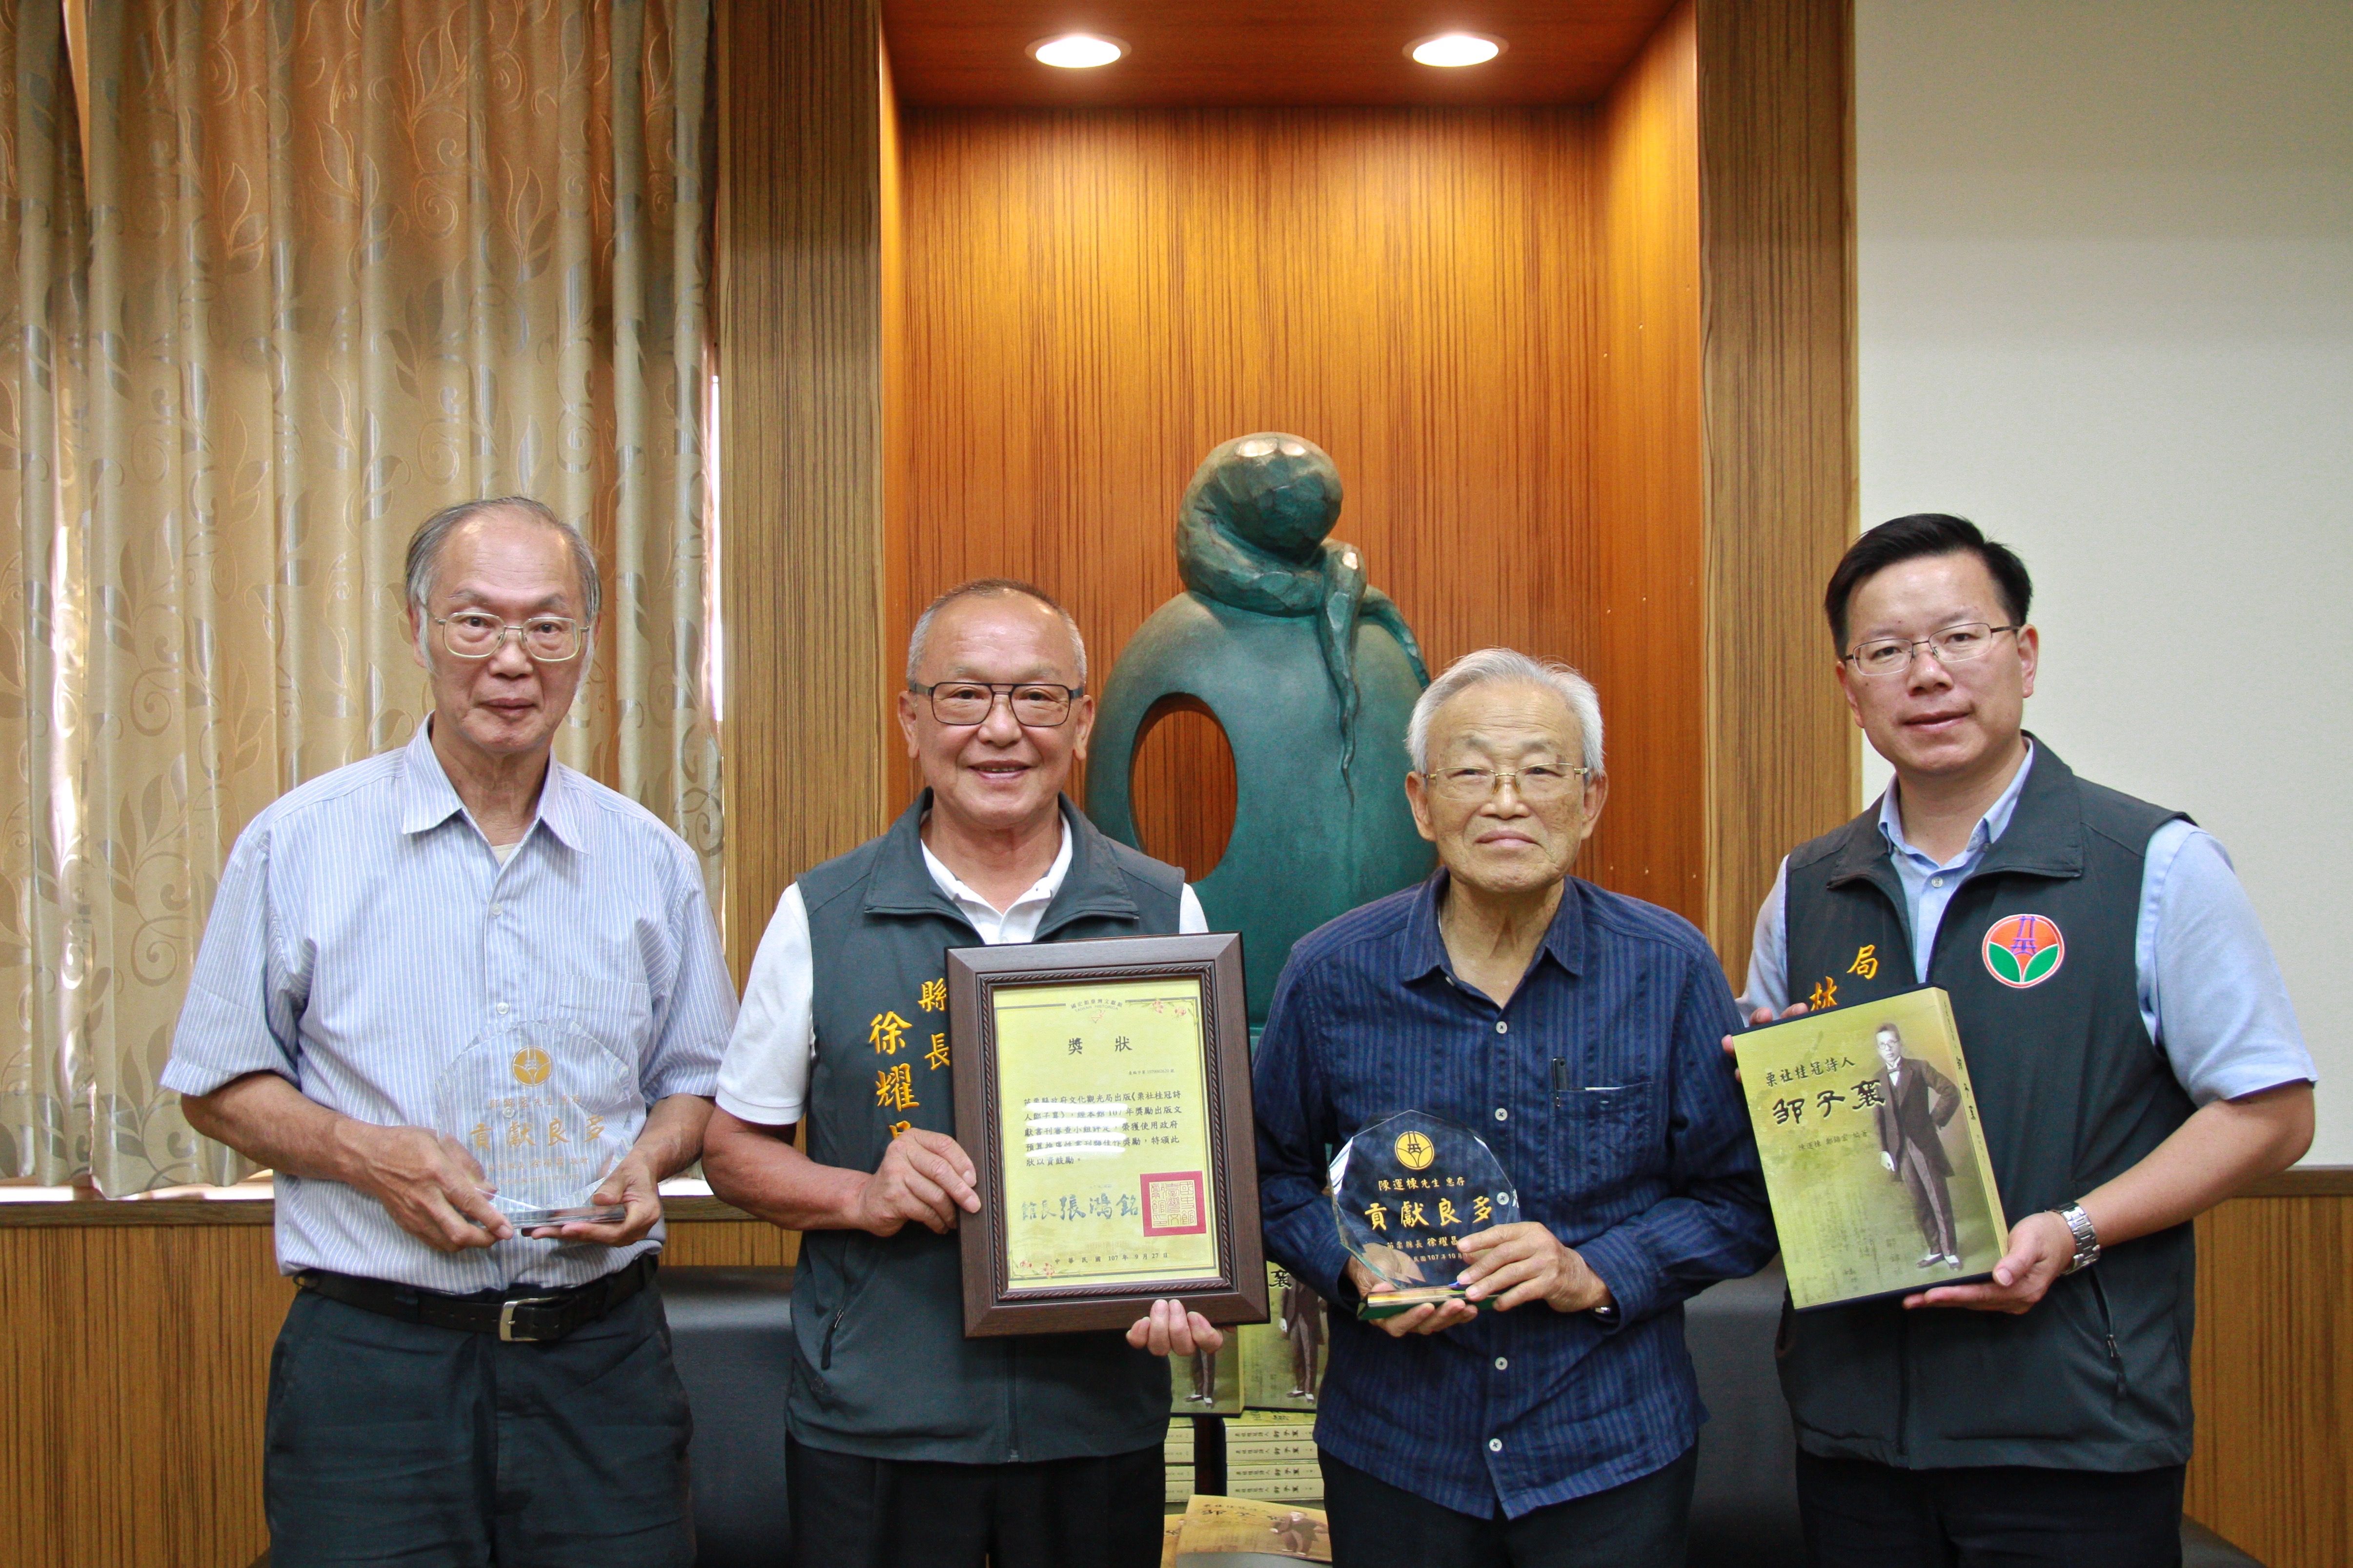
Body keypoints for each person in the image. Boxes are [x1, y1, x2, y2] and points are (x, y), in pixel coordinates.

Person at [164, 498, 734, 1567]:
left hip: (600, 1364)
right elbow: (217, 1079)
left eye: (547, 625)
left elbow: (695, 1075)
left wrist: (655, 1158)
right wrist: (365, 1154)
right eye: (476, 622)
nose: (511, 659)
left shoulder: (649, 858)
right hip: (376, 1366)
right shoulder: (301, 842)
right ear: (418, 627)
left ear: (587, 642)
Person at [1739, 513, 2315, 1568]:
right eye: (1885, 651)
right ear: (1847, 684)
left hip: (2070, 1432)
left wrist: (2074, 1228)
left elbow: (2269, 1113)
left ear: (2025, 654)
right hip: (1854, 1427)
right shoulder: (1805, 886)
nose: (1926, 674)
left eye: (1959, 636)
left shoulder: (2152, 863)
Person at [701, 579, 1222, 1568]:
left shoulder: (1162, 913)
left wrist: (1188, 1272)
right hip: (876, 1423)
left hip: (1093, 1420)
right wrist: (862, 1191)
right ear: (910, 718)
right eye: (962, 696)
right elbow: (733, 1153)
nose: (999, 730)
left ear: (1080, 721)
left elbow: (1200, 1164)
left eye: (1035, 698)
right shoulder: (822, 913)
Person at [1254, 648, 1777, 1568]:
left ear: (1590, 798)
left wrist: (1596, 1268)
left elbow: (1740, 1201)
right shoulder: (1331, 972)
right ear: (1420, 801)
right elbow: (1265, 1174)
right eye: (1470, 771)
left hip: (1609, 1447)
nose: (1505, 800)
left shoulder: (1670, 967)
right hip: (1399, 1448)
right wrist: (1349, 1269)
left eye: (1539, 769)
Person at [1867, 1021, 1964, 1270]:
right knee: (1918, 1201)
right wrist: (1884, 1151)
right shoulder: (1876, 1080)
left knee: (1938, 1198)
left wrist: (1935, 1120)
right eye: (1882, 1045)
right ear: (1878, 1050)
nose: (1888, 1049)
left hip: (1923, 1143)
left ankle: (1950, 1250)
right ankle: (1935, 1250)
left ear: (1901, 1044)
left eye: (1892, 1043)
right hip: (1900, 1150)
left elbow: (1950, 1092)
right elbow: (1878, 1119)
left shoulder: (1919, 1068)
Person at [1280, 1267, 1325, 1399]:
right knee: (1297, 1353)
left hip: (1309, 1319)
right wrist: (1283, 1318)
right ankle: (1300, 1387)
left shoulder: (1316, 1275)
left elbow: (1325, 1295)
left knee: (1310, 1354)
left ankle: (1309, 1390)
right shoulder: (1289, 1275)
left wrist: (1325, 1304)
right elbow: (1285, 1296)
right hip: (1292, 1318)